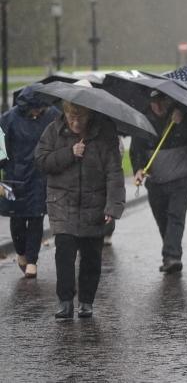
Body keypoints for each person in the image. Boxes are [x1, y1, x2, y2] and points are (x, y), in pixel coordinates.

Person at [35, 100, 125, 319]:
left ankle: (86, 301)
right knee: (64, 254)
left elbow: (115, 172)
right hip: (62, 204)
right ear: (65, 114)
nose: (75, 122)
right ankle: (65, 302)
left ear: (90, 115)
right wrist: (69, 152)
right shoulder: (53, 131)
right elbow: (41, 161)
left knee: (91, 257)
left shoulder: (105, 134)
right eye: (71, 117)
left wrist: (112, 206)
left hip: (94, 205)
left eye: (80, 117)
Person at [131, 91, 187, 273]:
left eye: (162, 100)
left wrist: (181, 125)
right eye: (154, 101)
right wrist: (138, 169)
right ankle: (171, 251)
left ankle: (172, 256)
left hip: (182, 178)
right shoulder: (142, 120)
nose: (159, 105)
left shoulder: (183, 115)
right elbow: (136, 149)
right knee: (162, 218)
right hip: (156, 180)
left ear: (169, 100)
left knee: (175, 216)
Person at [0, 86, 59, 278]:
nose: (39, 112)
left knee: (36, 217)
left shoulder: (51, 116)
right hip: (14, 178)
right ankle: (21, 253)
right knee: (17, 218)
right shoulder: (8, 120)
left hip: (40, 177)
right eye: (36, 109)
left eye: (42, 109)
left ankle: (32, 260)